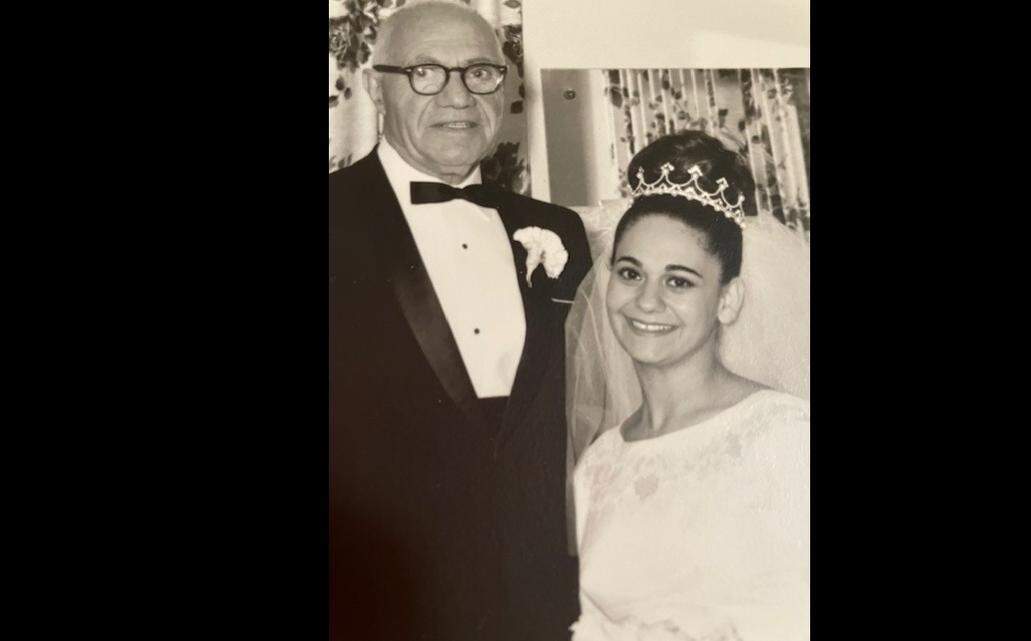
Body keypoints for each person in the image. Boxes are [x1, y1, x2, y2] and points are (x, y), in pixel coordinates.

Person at [328, 1, 591, 639]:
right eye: (425, 72)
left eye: (480, 72)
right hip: (374, 601)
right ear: (375, 88)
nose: (458, 96)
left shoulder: (557, 229)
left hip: (540, 600)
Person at [566, 131, 810, 640]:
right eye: (630, 273)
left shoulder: (783, 437)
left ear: (727, 300)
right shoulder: (599, 463)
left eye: (679, 281)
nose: (646, 301)